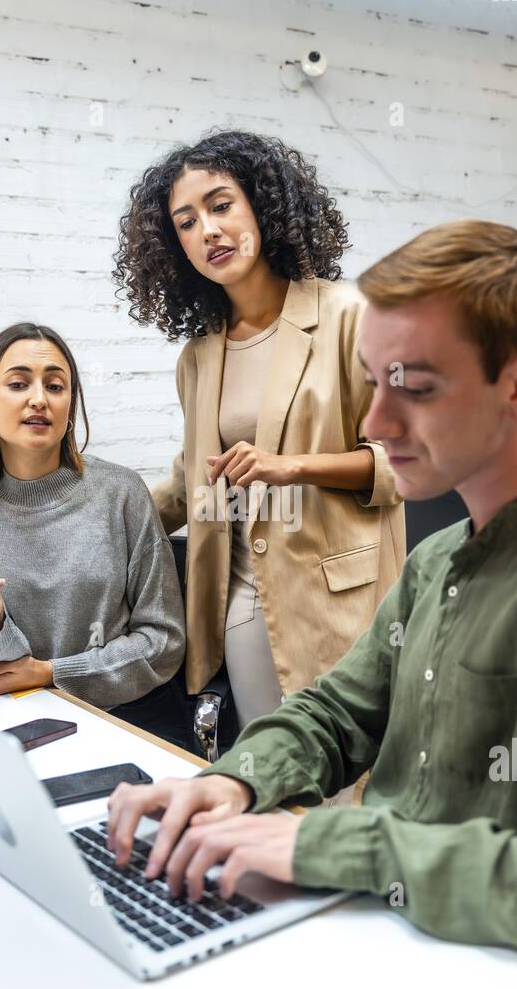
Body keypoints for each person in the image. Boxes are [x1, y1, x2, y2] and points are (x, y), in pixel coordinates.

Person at [104, 220, 517, 977]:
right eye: (375, 383)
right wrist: (232, 782)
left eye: (413, 385)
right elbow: (337, 713)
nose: (375, 422)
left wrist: (334, 845)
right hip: (387, 939)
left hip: (494, 985)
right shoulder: (439, 556)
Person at [114, 129, 405, 733]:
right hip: (244, 604)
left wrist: (291, 466)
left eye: (221, 206)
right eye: (186, 222)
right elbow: (191, 483)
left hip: (345, 603)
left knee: (353, 797)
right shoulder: (199, 357)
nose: (209, 231)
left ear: (264, 206)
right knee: (273, 783)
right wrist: (89, 519)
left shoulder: (353, 317)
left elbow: (406, 462)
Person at [0, 323, 185, 739]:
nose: (38, 399)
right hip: (16, 721)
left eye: (55, 386)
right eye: (17, 383)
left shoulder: (121, 493)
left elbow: (164, 641)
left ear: (70, 404)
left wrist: (51, 672)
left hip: (125, 719)